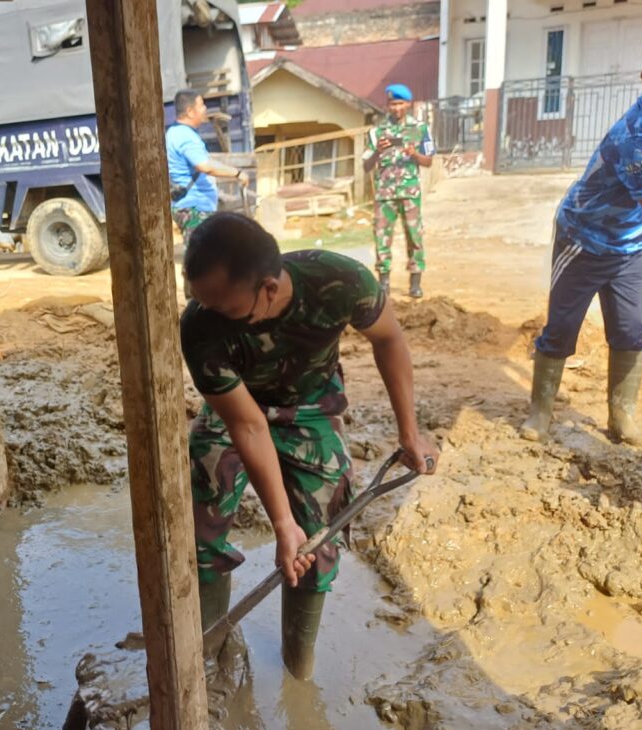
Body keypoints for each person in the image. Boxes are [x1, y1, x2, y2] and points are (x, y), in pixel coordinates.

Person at [180, 212, 438, 680]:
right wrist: (281, 523)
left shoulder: (339, 281)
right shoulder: (199, 324)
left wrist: (409, 432)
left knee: (317, 542)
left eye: (223, 305)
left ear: (269, 289)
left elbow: (389, 339)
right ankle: (205, 657)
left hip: (311, 408)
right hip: (236, 409)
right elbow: (248, 425)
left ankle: (298, 667)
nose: (207, 311)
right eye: (200, 298)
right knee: (197, 523)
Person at [521, 26, 642, 446]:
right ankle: (540, 414)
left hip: (633, 244)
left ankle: (621, 419)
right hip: (584, 239)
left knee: (632, 329)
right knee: (562, 327)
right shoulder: (638, 137)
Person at [362, 83, 436, 299]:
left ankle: (415, 282)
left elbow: (429, 161)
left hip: (410, 193)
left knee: (415, 236)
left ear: (409, 104)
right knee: (381, 237)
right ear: (388, 105)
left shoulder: (421, 129)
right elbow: (366, 165)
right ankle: (383, 282)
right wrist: (378, 151)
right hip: (384, 195)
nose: (396, 108)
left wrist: (414, 154)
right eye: (393, 104)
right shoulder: (376, 132)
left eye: (400, 103)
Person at [166, 89, 248, 242]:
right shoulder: (184, 136)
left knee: (204, 256)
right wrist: (237, 173)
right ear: (190, 111)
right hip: (194, 208)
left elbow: (206, 162)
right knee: (200, 258)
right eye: (201, 105)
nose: (205, 109)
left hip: (194, 207)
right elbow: (205, 166)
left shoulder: (178, 133)